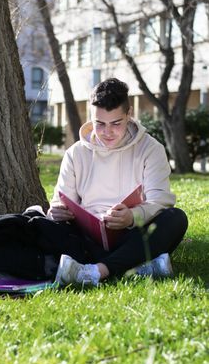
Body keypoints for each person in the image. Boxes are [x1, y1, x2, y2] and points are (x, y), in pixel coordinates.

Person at [48, 78, 188, 285]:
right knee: (45, 227)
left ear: (128, 114)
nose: (107, 132)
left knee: (175, 218)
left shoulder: (151, 149)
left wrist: (132, 216)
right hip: (88, 237)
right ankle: (139, 267)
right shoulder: (75, 153)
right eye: (100, 124)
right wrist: (56, 212)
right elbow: (61, 200)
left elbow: (160, 201)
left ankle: (97, 271)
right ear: (91, 117)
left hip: (133, 234)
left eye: (116, 123)